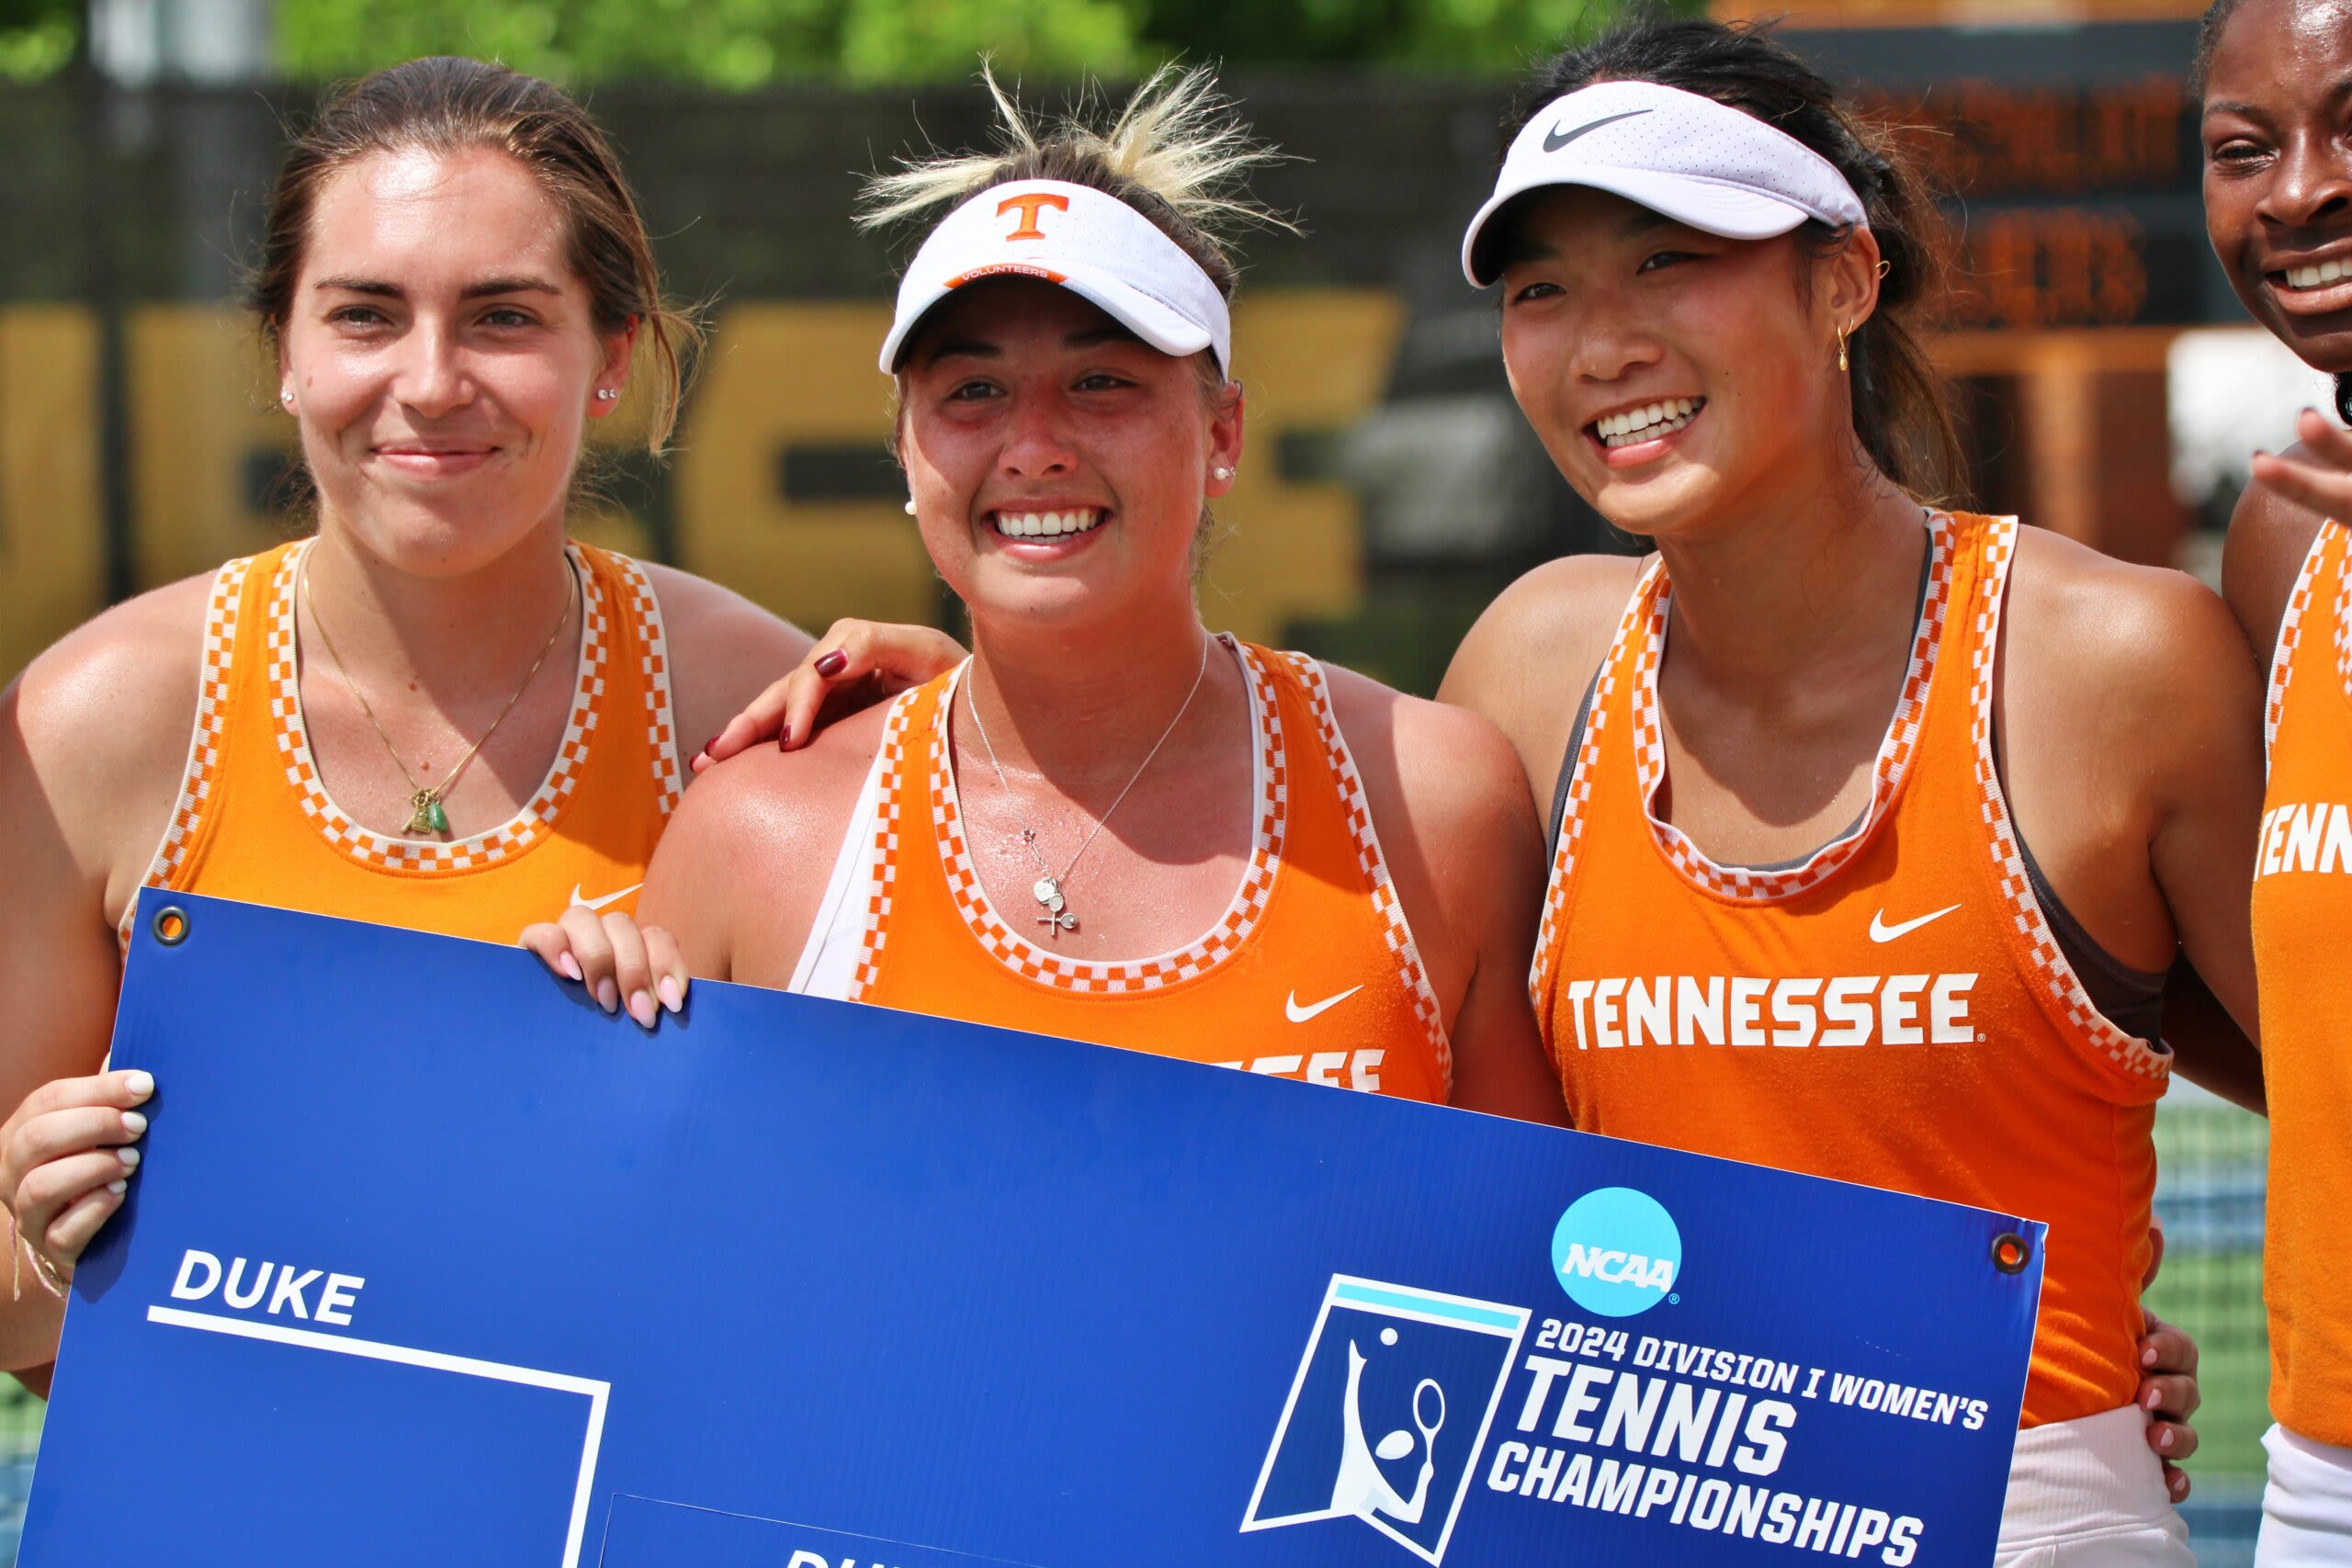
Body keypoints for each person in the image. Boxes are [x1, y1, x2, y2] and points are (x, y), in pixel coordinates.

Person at [1429, 20, 2266, 1562]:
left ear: (1844, 281)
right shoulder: (1529, 672)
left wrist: (2050, 1359)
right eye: (1541, 288)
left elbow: (2323, 1074)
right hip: (1632, 1514)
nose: (1600, 340)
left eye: (1668, 262)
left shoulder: (2112, 667)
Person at [0, 56, 956, 1382]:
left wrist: (974, 729)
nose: (433, 378)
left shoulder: (760, 705)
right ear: (283, 348)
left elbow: (902, 1220)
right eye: (365, 315)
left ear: (611, 353)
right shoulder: (90, 726)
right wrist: (43, 1239)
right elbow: (17, 1322)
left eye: (503, 317)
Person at [531, 68, 1567, 1125]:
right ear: (904, 450)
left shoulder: (1430, 801)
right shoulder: (757, 837)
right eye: (972, 390)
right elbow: (667, 1252)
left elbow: (1514, 1252)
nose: (1033, 449)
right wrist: (570, 1041)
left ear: (1221, 434)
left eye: (1101, 381)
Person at [2197, 0, 2352, 1558]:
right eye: (2246, 149)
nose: (2300, 191)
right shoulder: (2287, 546)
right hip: (2327, 1466)